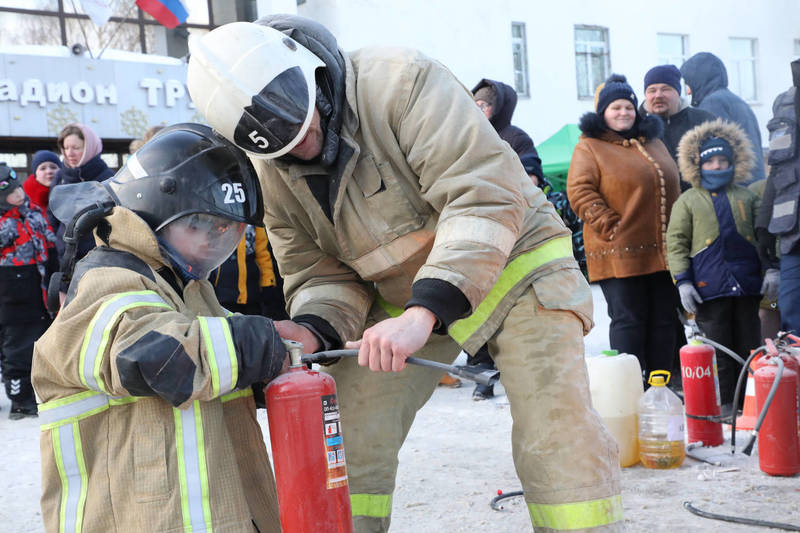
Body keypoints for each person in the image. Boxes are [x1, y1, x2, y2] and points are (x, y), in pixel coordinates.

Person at [187, 16, 624, 532]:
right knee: (348, 430)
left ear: (313, 73)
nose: (302, 143)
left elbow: (481, 193)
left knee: (555, 432)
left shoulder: (402, 82)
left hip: (515, 263)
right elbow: (318, 271)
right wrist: (312, 328)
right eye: (279, 142)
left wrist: (423, 312)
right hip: (401, 296)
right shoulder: (271, 171)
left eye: (302, 121)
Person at [31, 124, 286, 532]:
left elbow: (215, 350)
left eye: (222, 231)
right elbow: (155, 356)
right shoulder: (104, 280)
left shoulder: (184, 284)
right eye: (198, 224)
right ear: (154, 209)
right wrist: (258, 344)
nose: (209, 241)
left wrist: (280, 349)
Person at [567, 74, 681, 383]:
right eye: (616, 107)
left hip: (662, 251)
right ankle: (629, 387)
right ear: (603, 112)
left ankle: (659, 385)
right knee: (630, 321)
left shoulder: (653, 141)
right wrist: (611, 227)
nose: (623, 113)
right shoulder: (590, 146)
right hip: (618, 250)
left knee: (663, 320)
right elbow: (580, 191)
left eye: (628, 107)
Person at [667, 119, 776, 410]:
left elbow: (763, 237)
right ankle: (727, 405)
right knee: (720, 350)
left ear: (734, 161)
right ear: (697, 165)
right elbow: (676, 242)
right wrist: (683, 281)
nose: (717, 166)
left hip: (747, 287)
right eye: (710, 161)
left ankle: (749, 405)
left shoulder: (747, 197)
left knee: (749, 347)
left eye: (722, 160)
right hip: (708, 289)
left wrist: (769, 270)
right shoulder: (688, 201)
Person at [467, 79, 544, 399]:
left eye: (485, 104)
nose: (478, 109)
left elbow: (533, 178)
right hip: (473, 231)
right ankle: (480, 375)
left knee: (515, 305)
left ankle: (522, 372)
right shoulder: (464, 137)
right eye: (475, 103)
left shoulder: (515, 138)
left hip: (513, 233)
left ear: (499, 108)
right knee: (474, 304)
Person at [0, 162, 56, 419]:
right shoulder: (3, 223)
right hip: (11, 292)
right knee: (16, 349)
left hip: (37, 286)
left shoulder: (32, 212)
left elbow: (50, 241)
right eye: (12, 193)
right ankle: (19, 399)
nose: (19, 194)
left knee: (38, 343)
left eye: (19, 189)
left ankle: (39, 392)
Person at [756, 58, 800, 333]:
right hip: (793, 235)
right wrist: (763, 225)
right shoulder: (784, 103)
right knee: (789, 311)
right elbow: (778, 170)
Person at [680, 52, 766, 183]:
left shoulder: (712, 104)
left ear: (700, 80)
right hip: (754, 182)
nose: (688, 92)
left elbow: (715, 153)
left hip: (736, 188)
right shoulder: (738, 101)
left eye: (689, 84)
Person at [49, 123, 115, 271]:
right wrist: (58, 241)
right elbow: (52, 214)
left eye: (76, 148)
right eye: (66, 148)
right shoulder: (60, 177)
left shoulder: (106, 177)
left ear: (89, 147)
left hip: (98, 259)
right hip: (64, 257)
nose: (70, 153)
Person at [640, 64, 716, 190]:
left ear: (678, 92)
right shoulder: (636, 126)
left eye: (665, 89)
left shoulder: (703, 122)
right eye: (652, 90)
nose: (658, 95)